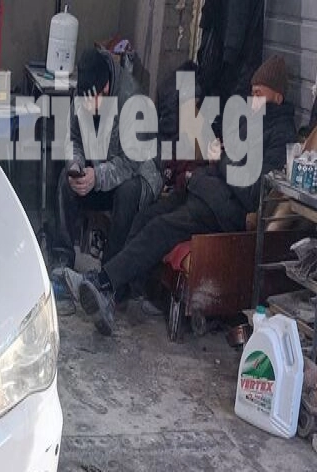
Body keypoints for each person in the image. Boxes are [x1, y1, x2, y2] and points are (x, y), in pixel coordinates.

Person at [72, 56, 298, 337]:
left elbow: (254, 192)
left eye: (259, 94)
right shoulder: (253, 121)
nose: (253, 101)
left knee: (161, 227)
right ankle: (114, 291)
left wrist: (221, 159)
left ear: (277, 96)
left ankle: (104, 282)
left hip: (224, 210)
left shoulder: (281, 136)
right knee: (146, 216)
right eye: (252, 93)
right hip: (206, 190)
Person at [54, 49, 162, 271]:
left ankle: (110, 274)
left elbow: (131, 162)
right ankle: (62, 258)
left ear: (105, 89)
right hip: (101, 168)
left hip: (139, 174)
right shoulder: (84, 91)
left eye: (90, 102)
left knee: (128, 191)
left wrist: (97, 177)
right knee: (66, 180)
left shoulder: (133, 100)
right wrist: (75, 166)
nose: (85, 107)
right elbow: (74, 138)